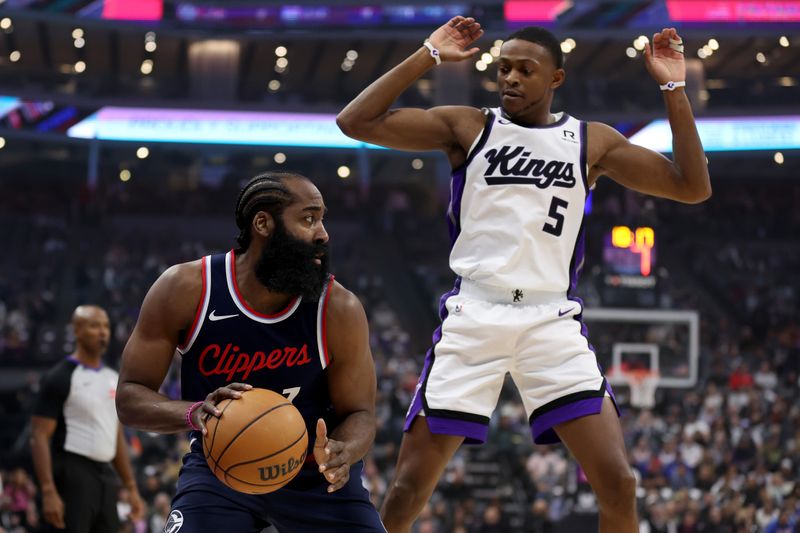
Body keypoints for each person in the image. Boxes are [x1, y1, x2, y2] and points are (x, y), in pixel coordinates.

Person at [337, 16, 710, 533]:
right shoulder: (469, 126)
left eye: (525, 70)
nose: (509, 78)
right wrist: (429, 52)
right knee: (405, 491)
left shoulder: (590, 141)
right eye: (503, 68)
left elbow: (692, 186)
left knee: (619, 483)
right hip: (475, 313)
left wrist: (673, 87)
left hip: (550, 320)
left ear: (555, 79)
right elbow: (353, 122)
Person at [115, 172, 386, 532]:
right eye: (309, 218)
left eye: (322, 219)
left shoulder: (339, 309)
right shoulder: (185, 289)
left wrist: (344, 451)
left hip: (313, 474)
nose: (323, 234)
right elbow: (130, 396)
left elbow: (362, 413)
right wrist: (194, 413)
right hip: (220, 468)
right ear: (263, 223)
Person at [30, 305, 145, 533]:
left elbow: (115, 436)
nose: (102, 332)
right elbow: (39, 436)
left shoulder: (113, 378)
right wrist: (48, 489)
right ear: (77, 331)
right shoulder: (59, 377)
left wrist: (131, 486)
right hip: (72, 472)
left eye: (105, 326)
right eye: (94, 326)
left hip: (106, 475)